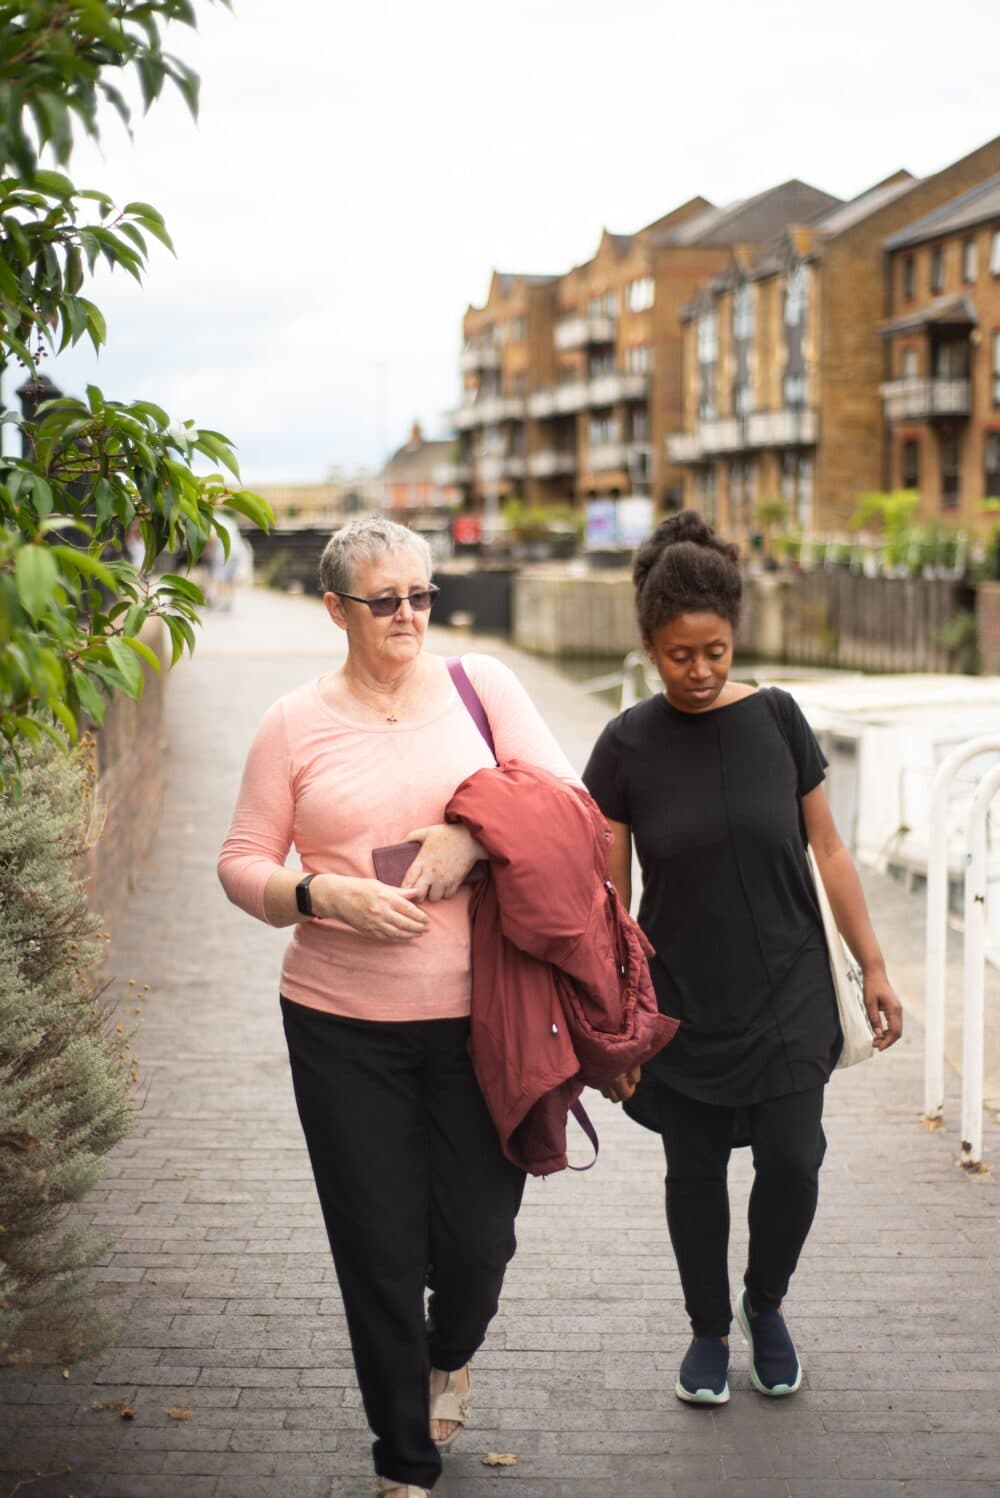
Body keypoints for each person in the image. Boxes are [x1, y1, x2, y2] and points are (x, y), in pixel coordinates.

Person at [217, 516, 575, 1496]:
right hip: (337, 1023)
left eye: (422, 595)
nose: (410, 615)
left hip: (483, 1020)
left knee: (476, 1241)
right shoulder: (292, 722)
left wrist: (472, 830)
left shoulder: (482, 687)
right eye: (386, 601)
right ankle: (402, 1460)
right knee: (376, 1250)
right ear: (335, 609)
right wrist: (314, 894)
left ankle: (450, 1349)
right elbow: (240, 860)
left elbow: (565, 802)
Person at [582, 510, 903, 1407]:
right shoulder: (625, 748)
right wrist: (616, 1020)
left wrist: (874, 966)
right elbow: (607, 900)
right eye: (681, 655)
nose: (701, 670)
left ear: (734, 640)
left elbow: (830, 851)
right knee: (695, 1175)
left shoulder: (778, 719)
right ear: (650, 647)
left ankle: (766, 1306)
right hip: (683, 998)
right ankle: (708, 1330)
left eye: (716, 651)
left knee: (795, 1161)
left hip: (792, 987)